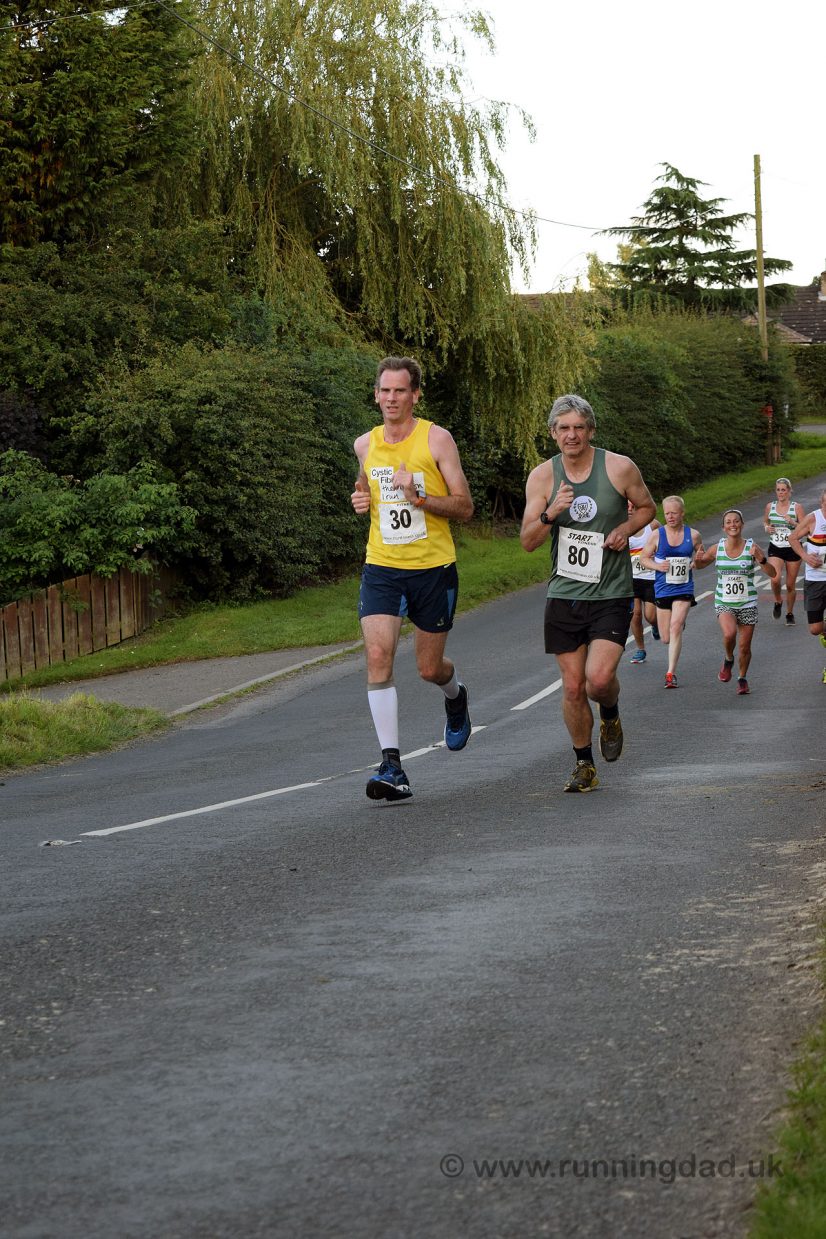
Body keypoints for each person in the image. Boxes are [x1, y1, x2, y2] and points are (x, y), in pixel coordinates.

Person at [351, 356, 474, 801]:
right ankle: (392, 766)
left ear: (415, 395)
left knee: (428, 669)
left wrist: (421, 498)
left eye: (400, 391)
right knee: (378, 655)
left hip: (432, 568)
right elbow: (365, 486)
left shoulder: (436, 439)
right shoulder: (365, 444)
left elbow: (464, 506)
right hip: (382, 565)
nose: (390, 399)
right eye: (384, 391)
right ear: (376, 394)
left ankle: (455, 695)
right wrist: (361, 499)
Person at [520, 394, 656, 793]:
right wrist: (551, 512)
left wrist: (625, 530)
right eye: (564, 428)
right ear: (552, 434)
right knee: (574, 686)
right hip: (564, 594)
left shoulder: (618, 467)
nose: (572, 435)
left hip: (611, 591)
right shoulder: (542, 478)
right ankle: (584, 764)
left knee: (598, 681)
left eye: (579, 427)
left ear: (591, 431)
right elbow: (528, 541)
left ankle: (610, 711)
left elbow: (646, 508)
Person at [694, 509, 776, 695]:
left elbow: (772, 573)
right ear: (723, 527)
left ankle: (742, 677)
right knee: (729, 633)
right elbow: (699, 566)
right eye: (729, 522)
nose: (733, 525)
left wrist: (761, 559)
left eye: (736, 521)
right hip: (725, 602)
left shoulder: (751, 547)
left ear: (742, 524)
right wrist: (697, 559)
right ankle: (728, 658)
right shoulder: (718, 548)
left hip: (747, 603)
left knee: (745, 647)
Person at [639, 496, 706, 689]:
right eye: (667, 513)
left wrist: (697, 561)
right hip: (662, 589)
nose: (670, 517)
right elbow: (644, 558)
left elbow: (701, 560)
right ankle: (674, 626)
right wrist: (657, 566)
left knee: (675, 626)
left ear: (682, 513)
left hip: (684, 588)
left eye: (674, 513)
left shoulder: (693, 535)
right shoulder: (657, 535)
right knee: (666, 638)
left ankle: (670, 674)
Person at [788, 488, 826, 684]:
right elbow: (793, 538)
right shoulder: (813, 519)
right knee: (815, 628)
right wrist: (805, 557)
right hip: (815, 579)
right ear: (822, 503)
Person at [763, 477, 805, 624]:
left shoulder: (796, 507)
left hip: (793, 548)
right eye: (778, 490)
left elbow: (804, 528)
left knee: (790, 585)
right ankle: (778, 601)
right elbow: (766, 522)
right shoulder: (770, 506)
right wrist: (767, 528)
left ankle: (789, 613)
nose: (780, 493)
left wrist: (793, 522)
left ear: (789, 491)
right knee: (774, 579)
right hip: (776, 546)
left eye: (783, 490)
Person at [627, 500, 661, 663]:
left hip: (650, 577)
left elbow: (665, 542)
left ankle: (656, 624)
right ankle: (641, 649)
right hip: (631, 578)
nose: (630, 509)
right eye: (626, 506)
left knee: (650, 616)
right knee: (635, 615)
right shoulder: (620, 528)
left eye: (633, 506)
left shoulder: (652, 525)